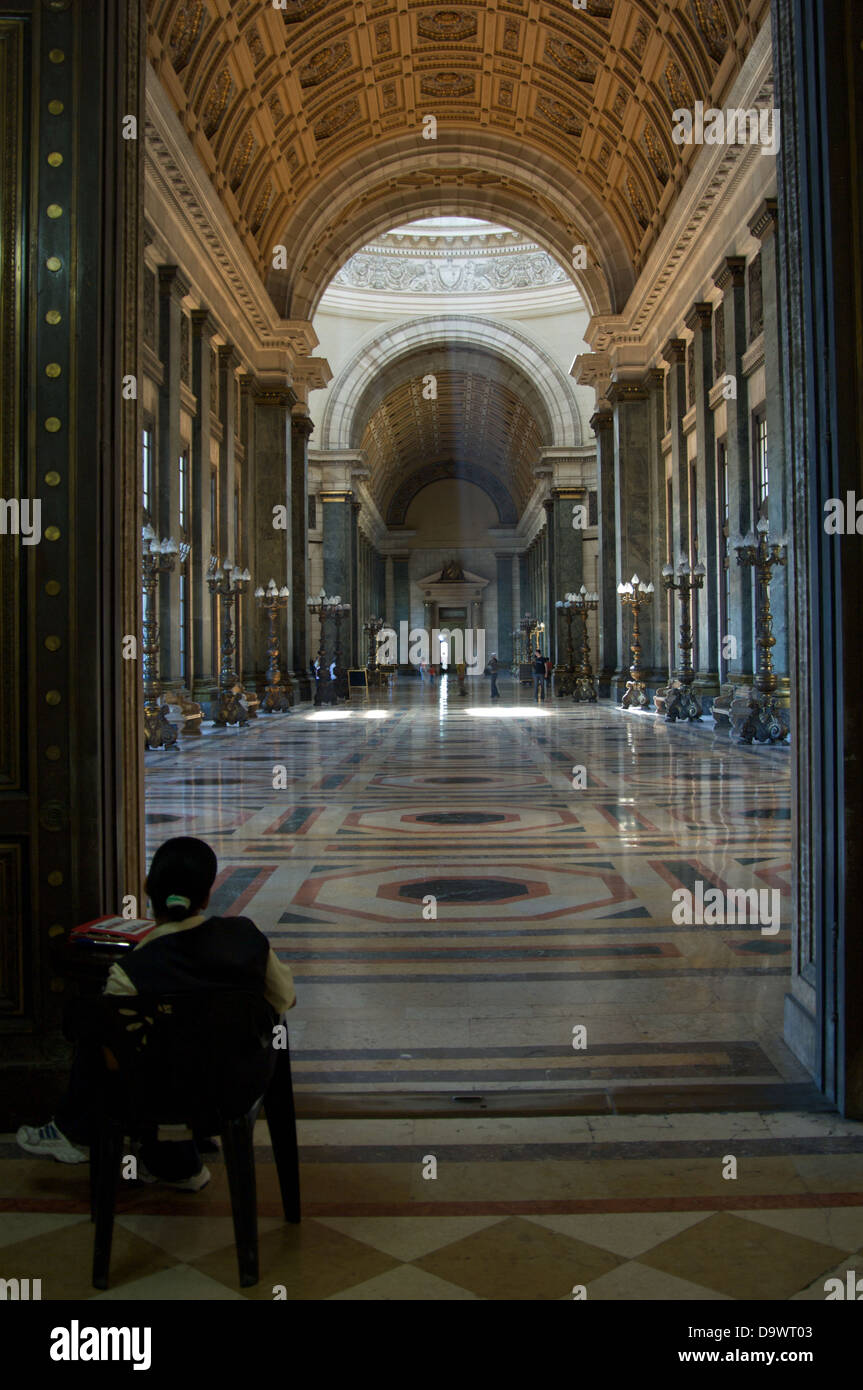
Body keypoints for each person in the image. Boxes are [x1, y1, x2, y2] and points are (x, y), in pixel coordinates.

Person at [17, 837, 296, 1191]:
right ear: (207, 896)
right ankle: (175, 1160)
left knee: (104, 1030)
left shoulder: (131, 970)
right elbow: (286, 998)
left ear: (149, 890)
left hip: (158, 1096)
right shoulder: (245, 938)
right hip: (236, 1088)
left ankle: (78, 1132)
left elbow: (115, 1060)